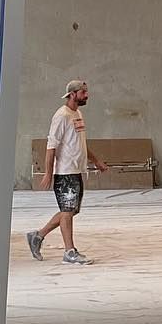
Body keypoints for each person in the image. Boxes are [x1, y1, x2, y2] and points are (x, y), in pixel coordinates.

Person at [27, 79, 108, 266]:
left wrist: (96, 161)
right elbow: (51, 146)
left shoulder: (77, 113)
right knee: (67, 211)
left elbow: (80, 143)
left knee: (71, 211)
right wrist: (49, 173)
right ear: (72, 94)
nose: (86, 95)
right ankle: (69, 251)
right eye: (83, 92)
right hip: (64, 172)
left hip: (76, 169)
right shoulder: (61, 116)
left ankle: (37, 236)